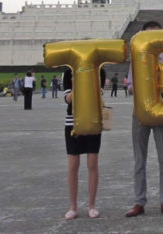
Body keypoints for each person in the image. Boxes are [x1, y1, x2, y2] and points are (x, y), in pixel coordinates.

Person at [126, 21, 163, 218]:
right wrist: (142, 85)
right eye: (148, 36)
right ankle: (139, 201)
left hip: (162, 110)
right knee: (139, 159)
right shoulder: (137, 56)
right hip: (140, 112)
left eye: (156, 35)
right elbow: (130, 86)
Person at [62, 69, 102, 220]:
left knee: (92, 163)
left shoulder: (99, 70)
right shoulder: (68, 72)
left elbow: (97, 95)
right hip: (72, 122)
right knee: (73, 164)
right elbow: (68, 99)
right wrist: (78, 83)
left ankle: (92, 205)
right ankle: (73, 207)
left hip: (92, 120)